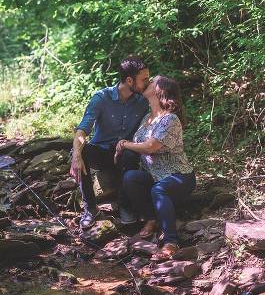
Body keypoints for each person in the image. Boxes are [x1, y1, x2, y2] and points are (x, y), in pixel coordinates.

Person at [115, 75, 195, 260]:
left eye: (152, 81)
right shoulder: (147, 119)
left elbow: (150, 146)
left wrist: (124, 144)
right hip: (155, 175)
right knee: (130, 178)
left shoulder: (170, 119)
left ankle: (170, 243)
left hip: (179, 176)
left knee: (159, 190)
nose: (147, 82)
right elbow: (137, 144)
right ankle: (151, 218)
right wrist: (121, 146)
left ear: (161, 91)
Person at [70, 57, 151, 229]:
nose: (148, 82)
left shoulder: (143, 101)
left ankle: (125, 206)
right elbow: (84, 128)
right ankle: (90, 209)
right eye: (144, 79)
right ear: (129, 80)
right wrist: (76, 153)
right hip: (101, 153)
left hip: (124, 153)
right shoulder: (101, 98)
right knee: (82, 152)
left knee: (130, 154)